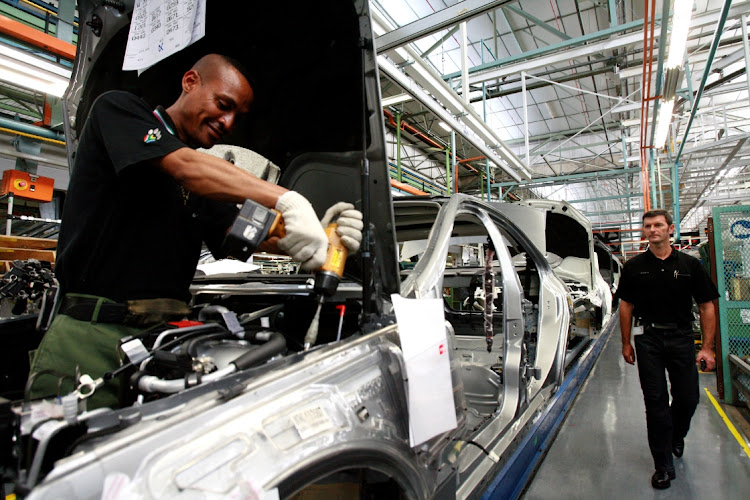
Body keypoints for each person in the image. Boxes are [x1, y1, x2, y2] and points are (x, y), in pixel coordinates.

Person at [26, 54, 363, 409]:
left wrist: (315, 242)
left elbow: (242, 233)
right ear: (190, 82)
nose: (228, 122)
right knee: (70, 457)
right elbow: (183, 166)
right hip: (90, 337)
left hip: (164, 341)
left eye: (237, 116)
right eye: (223, 104)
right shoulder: (120, 112)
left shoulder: (207, 182)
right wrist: (289, 200)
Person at [618, 209, 718, 490]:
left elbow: (707, 305)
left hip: (682, 338)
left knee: (688, 398)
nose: (652, 230)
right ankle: (663, 465)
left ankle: (676, 435)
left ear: (670, 229)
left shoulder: (689, 265)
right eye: (647, 226)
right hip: (648, 339)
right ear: (644, 231)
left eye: (658, 225)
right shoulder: (634, 267)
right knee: (656, 403)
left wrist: (707, 348)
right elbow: (625, 306)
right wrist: (626, 342)